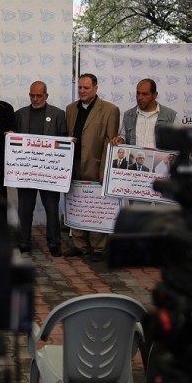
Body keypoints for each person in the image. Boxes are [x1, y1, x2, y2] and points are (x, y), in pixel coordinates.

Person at [64, 73, 120, 262]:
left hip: (95, 166)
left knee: (96, 207)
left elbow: (110, 142)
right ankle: (80, 245)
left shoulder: (110, 110)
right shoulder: (70, 109)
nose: (82, 91)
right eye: (80, 87)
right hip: (73, 165)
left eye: (86, 88)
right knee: (76, 204)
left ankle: (98, 247)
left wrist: (104, 170)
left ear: (96, 89)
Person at [14, 81, 67, 257]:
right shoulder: (20, 114)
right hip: (26, 171)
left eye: (39, 95)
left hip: (49, 172)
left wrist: (68, 143)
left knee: (52, 208)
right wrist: (10, 137)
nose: (35, 99)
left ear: (46, 95)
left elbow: (63, 139)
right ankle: (24, 242)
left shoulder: (58, 114)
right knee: (24, 208)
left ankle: (54, 243)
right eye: (32, 95)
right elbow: (15, 140)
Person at [111, 79, 177, 148]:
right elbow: (124, 136)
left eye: (144, 94)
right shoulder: (128, 115)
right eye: (138, 93)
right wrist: (121, 140)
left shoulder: (170, 116)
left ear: (155, 95)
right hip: (134, 155)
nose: (139, 98)